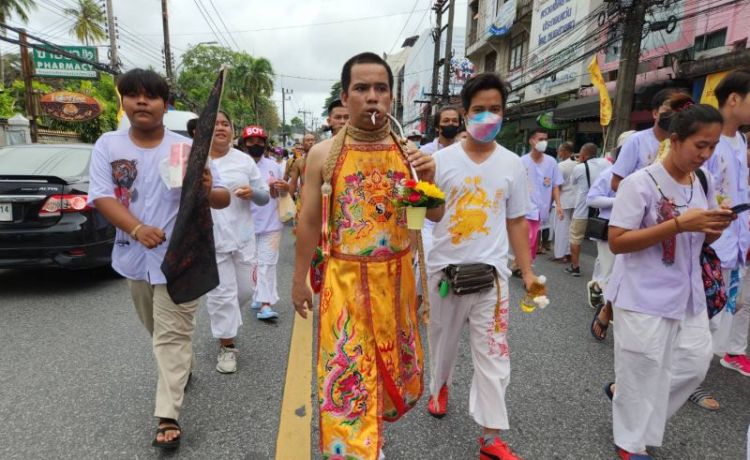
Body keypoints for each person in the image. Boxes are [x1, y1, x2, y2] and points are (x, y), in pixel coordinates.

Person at [291, 52, 436, 459]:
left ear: (391, 96)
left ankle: (374, 443)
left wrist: (429, 179)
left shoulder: (412, 154)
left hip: (396, 282)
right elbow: (306, 222)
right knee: (348, 370)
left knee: (392, 371)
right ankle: (357, 452)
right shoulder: (323, 154)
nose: (372, 97)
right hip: (344, 284)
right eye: (361, 89)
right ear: (345, 95)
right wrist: (298, 279)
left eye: (380, 89)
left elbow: (433, 214)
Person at [87, 69, 231, 448]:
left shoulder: (184, 148)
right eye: (132, 95)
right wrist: (136, 229)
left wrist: (207, 188)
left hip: (180, 257)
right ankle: (183, 366)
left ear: (164, 105)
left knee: (170, 337)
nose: (140, 102)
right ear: (123, 102)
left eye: (149, 96)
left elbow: (219, 199)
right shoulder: (108, 145)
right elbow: (101, 196)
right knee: (159, 332)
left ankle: (167, 417)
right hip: (133, 257)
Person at [603, 104, 733, 460]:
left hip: (687, 294)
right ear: (675, 140)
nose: (706, 155)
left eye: (713, 146)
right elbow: (617, 241)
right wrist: (679, 224)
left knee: (693, 363)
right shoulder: (638, 184)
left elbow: (698, 241)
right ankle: (631, 443)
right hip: (641, 294)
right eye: (699, 145)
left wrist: (712, 228)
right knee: (642, 367)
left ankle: (627, 398)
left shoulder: (701, 181)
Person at [427, 72, 538, 460]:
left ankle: (491, 438)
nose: (487, 117)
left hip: (491, 277)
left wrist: (526, 272)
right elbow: (423, 215)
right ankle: (439, 386)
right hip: (444, 274)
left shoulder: (512, 165)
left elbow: (517, 220)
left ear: (504, 113)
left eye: (495, 110)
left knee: (494, 353)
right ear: (463, 113)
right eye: (479, 110)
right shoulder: (438, 162)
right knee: (442, 345)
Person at [690, 69, 750, 411]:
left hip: (733, 244)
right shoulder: (708, 143)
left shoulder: (740, 141)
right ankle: (688, 380)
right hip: (709, 244)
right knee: (699, 315)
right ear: (734, 99)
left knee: (720, 314)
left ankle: (693, 376)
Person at [206, 113, 270, 372]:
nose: (221, 127)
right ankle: (227, 346)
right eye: (215, 124)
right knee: (222, 295)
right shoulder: (194, 159)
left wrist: (252, 193)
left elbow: (264, 197)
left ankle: (227, 321)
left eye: (225, 124)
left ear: (232, 131)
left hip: (243, 236)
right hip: (211, 238)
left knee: (244, 290)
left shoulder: (244, 161)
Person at [588, 131, 635, 341]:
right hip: (609, 229)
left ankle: (600, 291)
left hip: (635, 232)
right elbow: (592, 199)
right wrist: (619, 201)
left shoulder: (647, 175)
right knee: (610, 273)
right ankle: (607, 310)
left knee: (626, 275)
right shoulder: (609, 175)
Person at [241, 125, 288, 321]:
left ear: (265, 144)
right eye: (251, 142)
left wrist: (283, 188)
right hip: (245, 225)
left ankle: (266, 304)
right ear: (244, 144)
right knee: (251, 264)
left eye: (260, 142)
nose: (256, 145)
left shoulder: (273, 166)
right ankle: (257, 294)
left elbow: (282, 194)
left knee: (268, 263)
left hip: (271, 224)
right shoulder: (238, 165)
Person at [611, 88, 682, 191]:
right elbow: (615, 184)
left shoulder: (682, 144)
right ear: (655, 113)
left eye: (678, 112)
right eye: (668, 111)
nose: (673, 116)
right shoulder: (636, 141)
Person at [519, 129, 563, 271]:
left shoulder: (551, 162)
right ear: (532, 141)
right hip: (525, 208)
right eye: (540, 139)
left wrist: (559, 205)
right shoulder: (521, 162)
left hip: (543, 207)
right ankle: (527, 269)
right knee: (530, 240)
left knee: (531, 240)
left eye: (546, 139)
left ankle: (519, 265)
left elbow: (555, 185)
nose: (544, 142)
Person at [565, 143, 610, 276]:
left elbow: (573, 182)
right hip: (601, 210)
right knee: (601, 240)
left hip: (582, 209)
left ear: (583, 155)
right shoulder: (607, 164)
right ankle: (603, 269)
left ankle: (575, 266)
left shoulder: (579, 168)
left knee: (575, 238)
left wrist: (579, 162)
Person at [552, 142, 576, 263]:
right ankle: (569, 252)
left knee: (561, 228)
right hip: (575, 201)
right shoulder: (578, 164)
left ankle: (561, 254)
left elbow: (558, 186)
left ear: (565, 151)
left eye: (560, 150)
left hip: (563, 201)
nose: (558, 153)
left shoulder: (561, 166)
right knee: (571, 228)